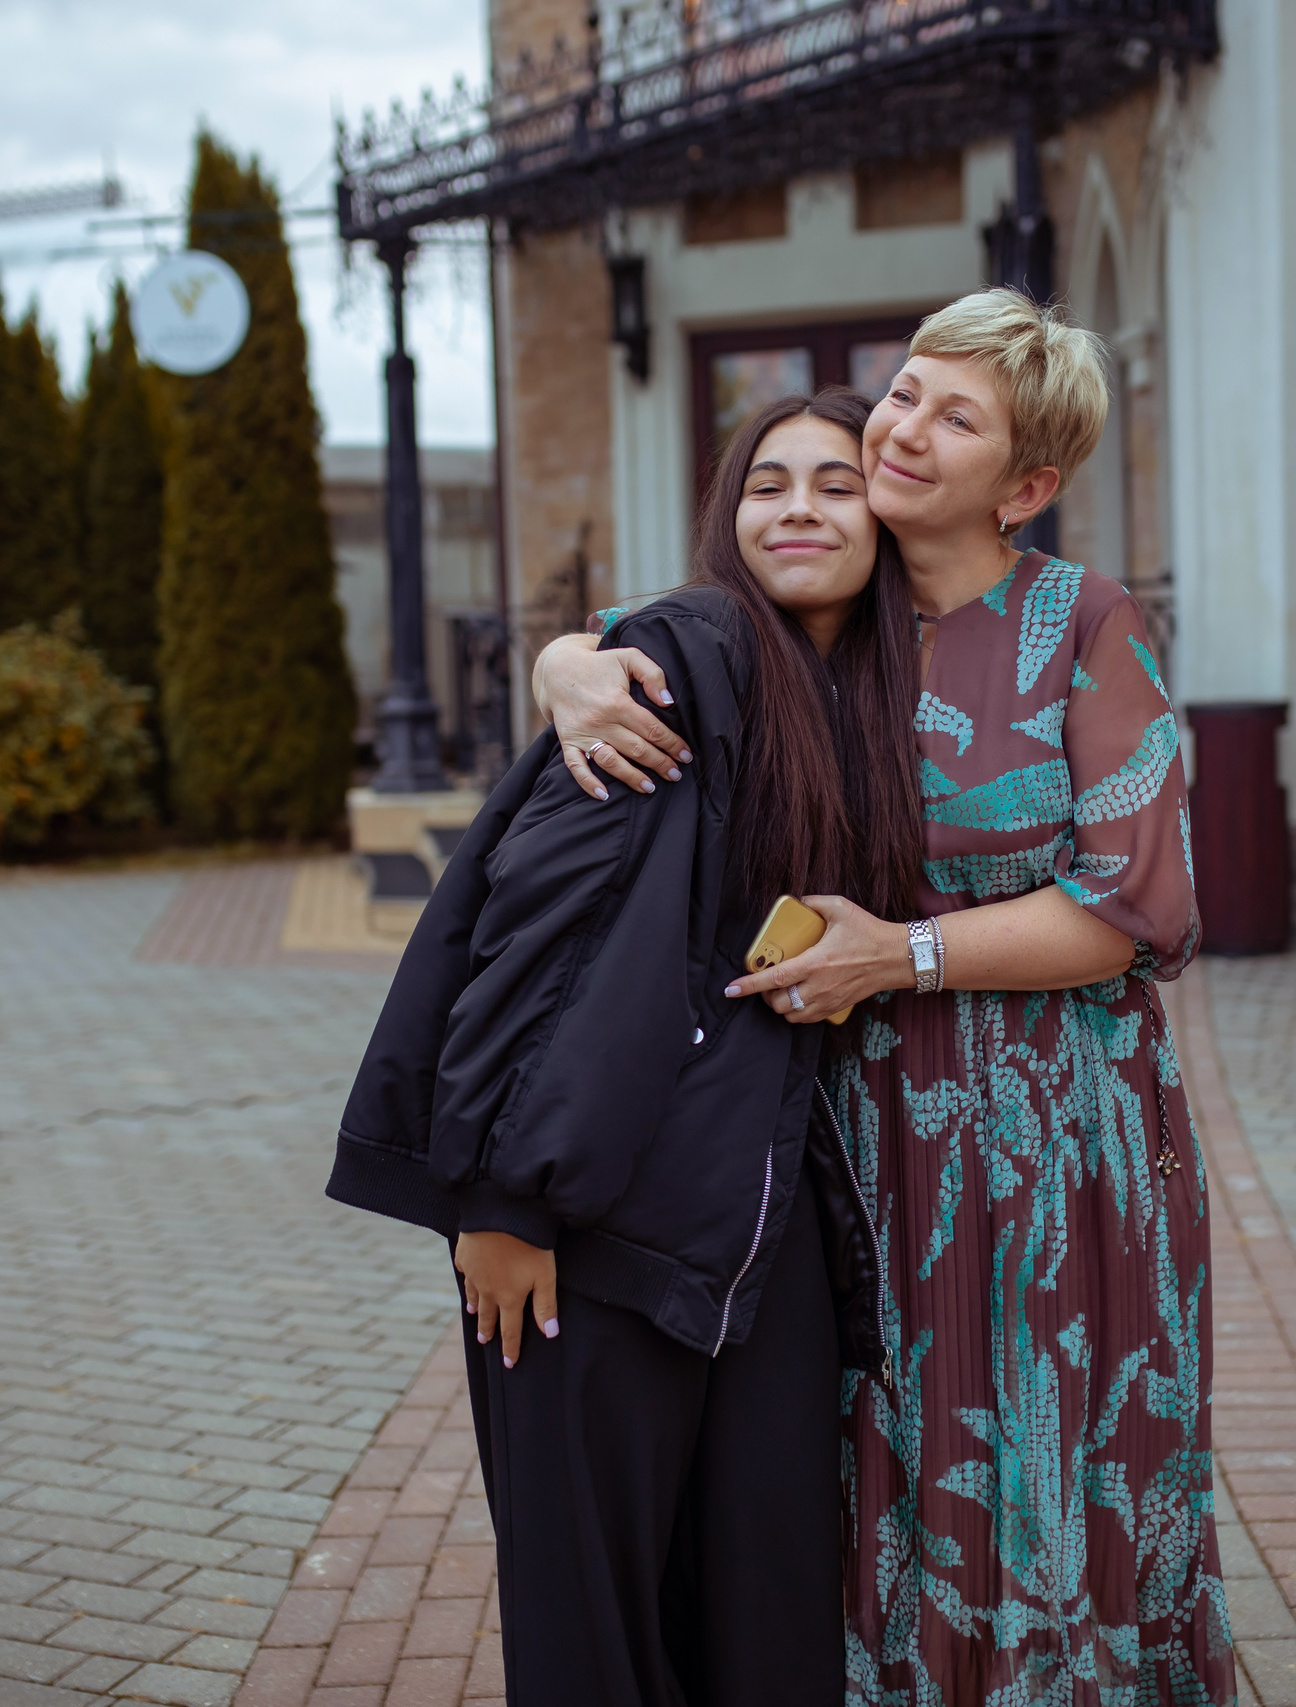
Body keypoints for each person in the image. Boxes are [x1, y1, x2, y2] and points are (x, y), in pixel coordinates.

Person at [532, 289, 1235, 1704]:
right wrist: (565, 667)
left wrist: (900, 955)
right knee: (868, 1468)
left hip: (1061, 1142)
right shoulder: (810, 613)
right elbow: (622, 644)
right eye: (907, 391)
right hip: (850, 1133)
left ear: (1026, 485)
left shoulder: (1081, 622)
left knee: (1056, 1468)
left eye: (954, 417)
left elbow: (1137, 905)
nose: (904, 427)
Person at [327, 388, 922, 1707]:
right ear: (727, 514)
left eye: (836, 482)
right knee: (593, 1639)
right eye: (769, 483)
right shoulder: (686, 650)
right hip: (584, 1236)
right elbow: (535, 927)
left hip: (749, 1248)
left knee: (762, 1624)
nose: (802, 507)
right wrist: (499, 1199)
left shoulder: (858, 697)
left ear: (885, 517)